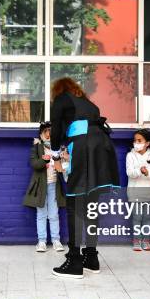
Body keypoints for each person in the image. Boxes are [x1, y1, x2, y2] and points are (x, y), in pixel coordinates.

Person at [50, 77, 120, 279]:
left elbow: (56, 128)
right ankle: (91, 256)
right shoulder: (89, 104)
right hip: (102, 148)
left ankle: (74, 261)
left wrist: (55, 155)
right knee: (91, 205)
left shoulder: (62, 99)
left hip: (82, 148)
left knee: (74, 201)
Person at [22, 121, 66, 253]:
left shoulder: (58, 148)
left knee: (54, 215)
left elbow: (63, 166)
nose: (48, 134)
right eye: (45, 132)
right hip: (40, 186)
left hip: (54, 185)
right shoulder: (36, 147)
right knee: (41, 214)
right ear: (41, 134)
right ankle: (41, 241)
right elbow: (34, 164)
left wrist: (64, 160)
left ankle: (56, 240)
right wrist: (44, 161)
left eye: (50, 132)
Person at [126, 129, 150, 252]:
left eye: (139, 140)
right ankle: (137, 240)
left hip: (149, 192)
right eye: (135, 140)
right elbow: (129, 173)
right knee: (137, 217)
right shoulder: (130, 155)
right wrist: (139, 171)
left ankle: (146, 240)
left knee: (146, 217)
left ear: (147, 143)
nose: (136, 143)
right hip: (135, 192)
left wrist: (147, 173)